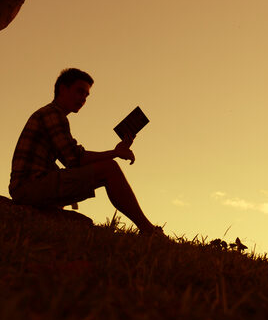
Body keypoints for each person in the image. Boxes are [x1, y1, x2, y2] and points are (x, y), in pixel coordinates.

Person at [9, 68, 160, 234]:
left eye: (86, 95)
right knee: (110, 169)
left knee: (94, 171)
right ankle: (148, 230)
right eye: (79, 91)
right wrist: (115, 153)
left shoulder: (52, 114)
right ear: (62, 89)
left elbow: (71, 161)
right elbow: (75, 159)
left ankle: (54, 213)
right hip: (29, 187)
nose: (83, 99)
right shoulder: (52, 114)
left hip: (30, 186)